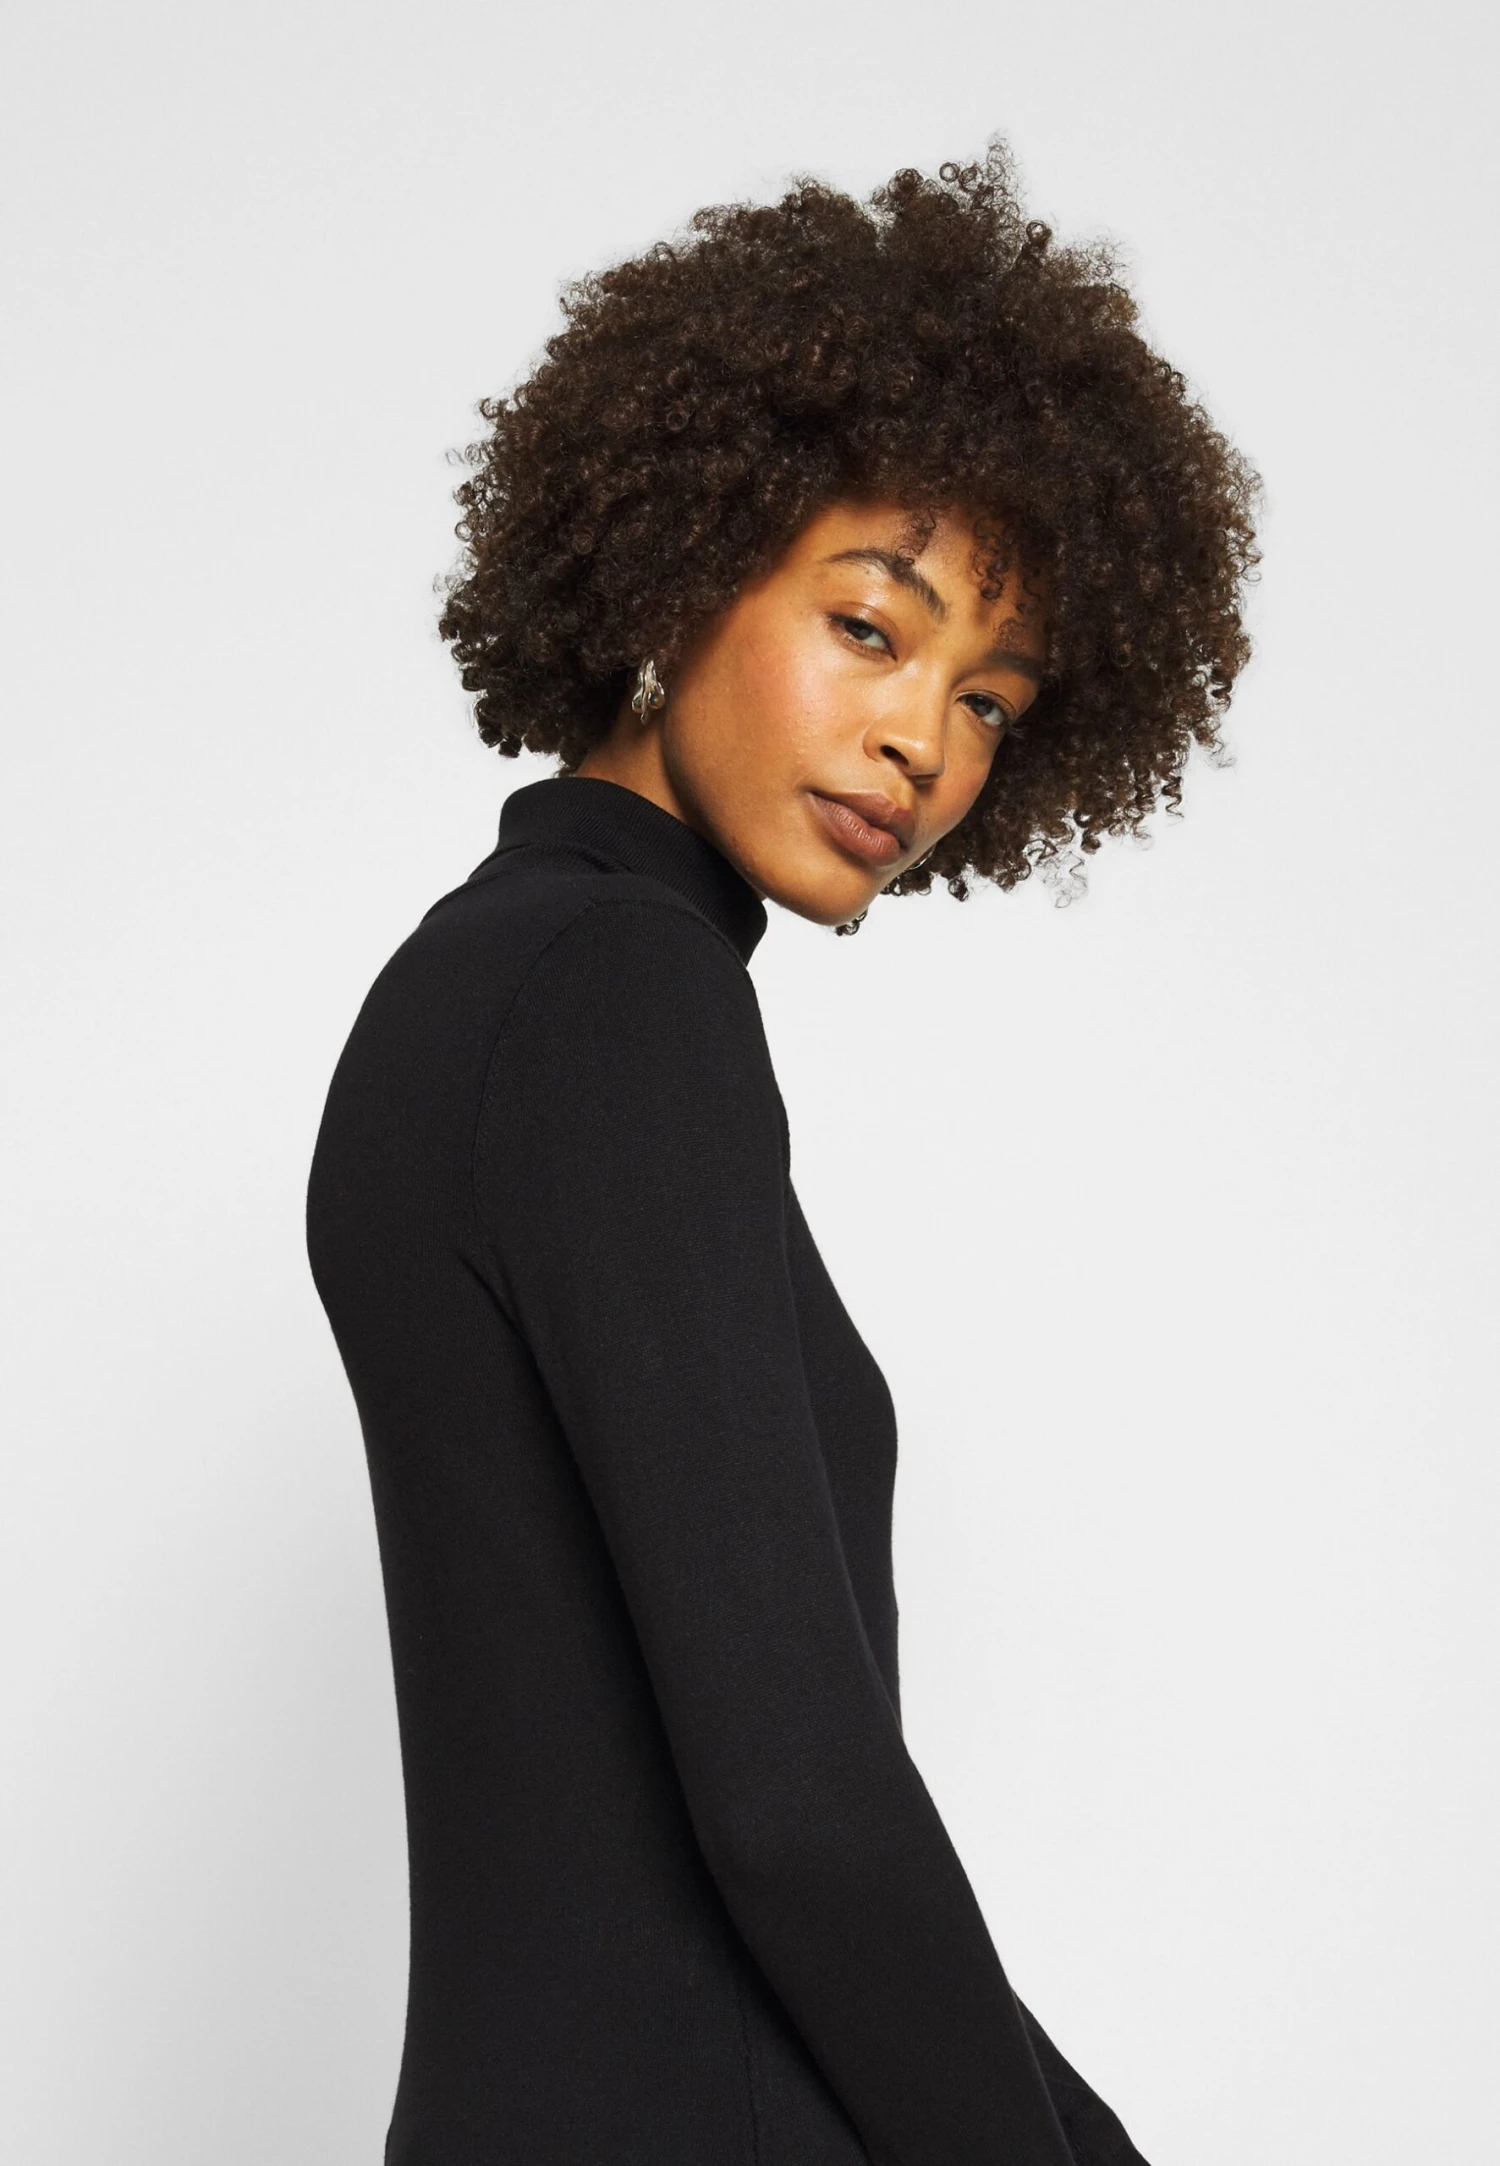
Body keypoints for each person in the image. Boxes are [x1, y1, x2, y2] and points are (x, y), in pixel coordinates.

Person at [305, 139, 1260, 2166]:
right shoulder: (615, 997)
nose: (925, 741)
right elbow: (797, 1806)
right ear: (680, 564)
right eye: (869, 627)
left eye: (990, 698)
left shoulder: (486, 983)